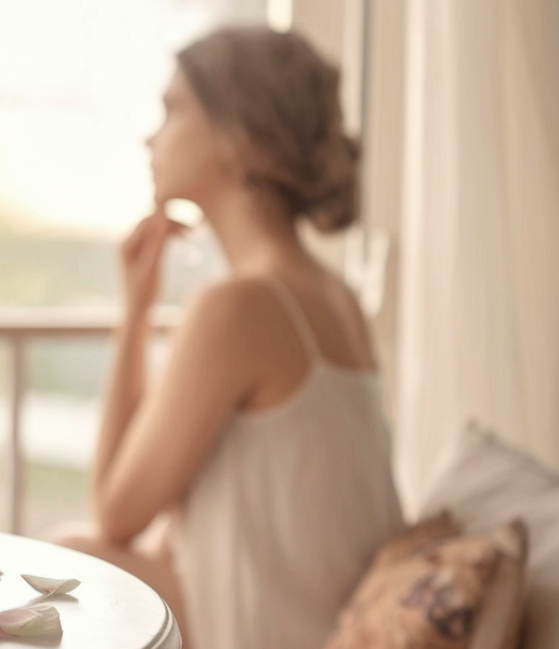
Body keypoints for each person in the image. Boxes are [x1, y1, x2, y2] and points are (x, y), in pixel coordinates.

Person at [52, 25, 405, 649]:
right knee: (75, 553)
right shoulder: (332, 295)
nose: (150, 136)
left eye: (172, 109)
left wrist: (134, 313)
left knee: (70, 558)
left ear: (236, 135)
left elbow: (115, 512)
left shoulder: (242, 307)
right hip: (311, 621)